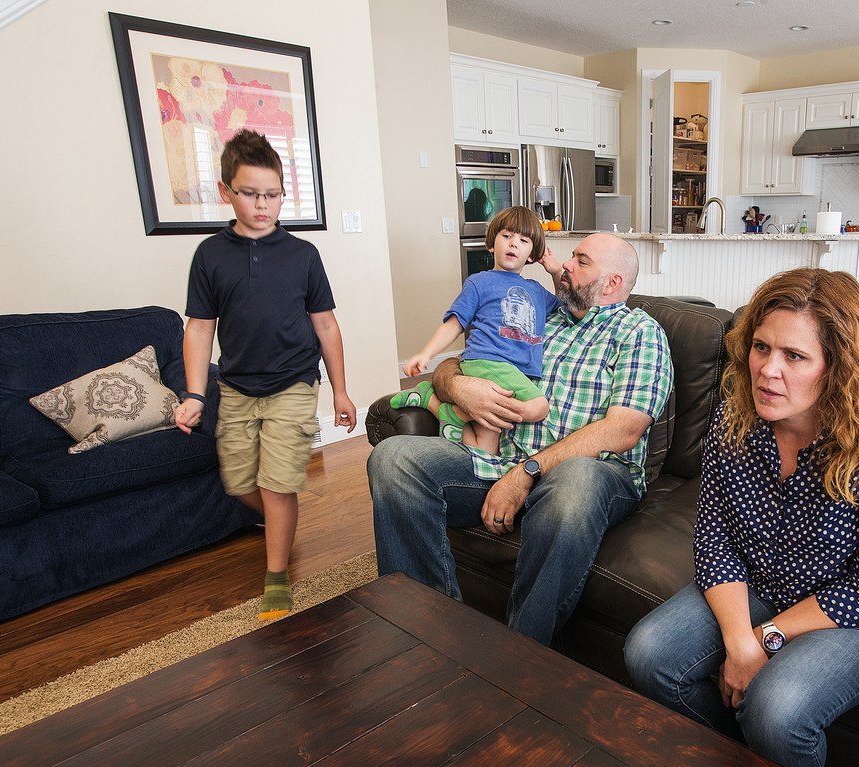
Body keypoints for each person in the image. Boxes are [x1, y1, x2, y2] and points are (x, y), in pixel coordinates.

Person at [623, 267, 859, 767]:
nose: (768, 370)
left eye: (795, 356)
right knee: (648, 654)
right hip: (762, 582)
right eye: (761, 347)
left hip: (858, 612)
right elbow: (714, 538)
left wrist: (762, 638)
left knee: (777, 709)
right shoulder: (733, 417)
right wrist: (740, 641)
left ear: (840, 367)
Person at [368, 232, 673, 645]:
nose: (565, 265)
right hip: (500, 459)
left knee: (577, 478)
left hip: (592, 474)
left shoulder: (639, 333)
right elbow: (457, 363)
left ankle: (518, 654)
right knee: (394, 458)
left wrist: (526, 473)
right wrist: (459, 387)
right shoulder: (540, 316)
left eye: (581, 261)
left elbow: (623, 430)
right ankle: (428, 632)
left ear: (612, 284)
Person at [174, 129, 356, 621]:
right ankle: (281, 519)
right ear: (225, 191)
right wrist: (194, 393)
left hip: (294, 384)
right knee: (238, 481)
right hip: (234, 386)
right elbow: (199, 329)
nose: (262, 204)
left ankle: (277, 574)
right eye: (250, 194)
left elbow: (326, 326)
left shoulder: (303, 256)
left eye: (272, 195)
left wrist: (339, 390)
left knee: (277, 485)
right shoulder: (210, 256)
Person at [390, 206, 560, 454]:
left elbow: (565, 304)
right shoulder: (479, 282)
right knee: (538, 406)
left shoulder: (535, 290)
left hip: (512, 372)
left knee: (486, 449)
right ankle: (457, 412)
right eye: (506, 236)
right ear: (492, 244)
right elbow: (454, 324)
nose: (513, 244)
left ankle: (434, 403)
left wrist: (556, 271)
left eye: (523, 240)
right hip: (488, 362)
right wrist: (425, 354)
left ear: (533, 254)